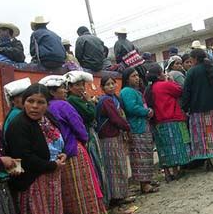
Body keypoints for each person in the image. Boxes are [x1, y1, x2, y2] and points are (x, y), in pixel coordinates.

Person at [39, 75, 108, 214]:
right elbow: (79, 127)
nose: (65, 91)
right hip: (74, 149)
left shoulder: (44, 108)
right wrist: (83, 140)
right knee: (84, 187)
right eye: (62, 88)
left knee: (68, 191)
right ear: (52, 91)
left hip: (59, 156)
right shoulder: (64, 105)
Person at [5, 84, 67, 214]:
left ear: (47, 104)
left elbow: (56, 140)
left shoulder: (47, 118)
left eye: (40, 102)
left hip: (50, 178)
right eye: (30, 101)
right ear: (23, 102)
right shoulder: (19, 125)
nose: (34, 106)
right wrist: (52, 165)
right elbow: (25, 158)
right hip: (32, 182)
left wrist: (62, 153)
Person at [65, 70, 110, 205]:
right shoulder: (74, 100)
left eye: (82, 85)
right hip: (88, 134)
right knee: (96, 163)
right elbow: (91, 115)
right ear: (70, 87)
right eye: (77, 85)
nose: (81, 88)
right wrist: (90, 103)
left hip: (89, 133)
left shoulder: (77, 99)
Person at [182, 49, 213, 170]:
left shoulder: (191, 72)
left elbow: (187, 92)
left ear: (194, 59)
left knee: (203, 136)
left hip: (198, 109)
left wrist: (184, 107)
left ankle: (209, 162)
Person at [144, 65, 191, 182]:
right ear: (160, 74)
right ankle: (175, 172)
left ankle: (167, 173)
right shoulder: (164, 85)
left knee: (162, 148)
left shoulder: (148, 90)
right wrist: (169, 80)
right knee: (174, 146)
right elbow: (180, 90)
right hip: (172, 119)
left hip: (157, 122)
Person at [120, 68, 159, 194]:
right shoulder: (127, 91)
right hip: (136, 127)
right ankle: (144, 184)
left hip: (143, 125)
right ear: (127, 78)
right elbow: (131, 108)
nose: (136, 78)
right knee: (139, 156)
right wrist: (146, 111)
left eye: (137, 75)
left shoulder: (135, 91)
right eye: (133, 76)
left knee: (146, 154)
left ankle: (147, 180)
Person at [95, 75, 131, 204]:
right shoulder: (106, 101)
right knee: (115, 166)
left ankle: (121, 192)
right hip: (109, 137)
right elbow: (115, 118)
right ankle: (118, 196)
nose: (111, 86)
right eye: (107, 84)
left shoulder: (114, 99)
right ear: (102, 87)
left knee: (118, 164)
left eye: (113, 83)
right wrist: (127, 127)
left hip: (115, 135)